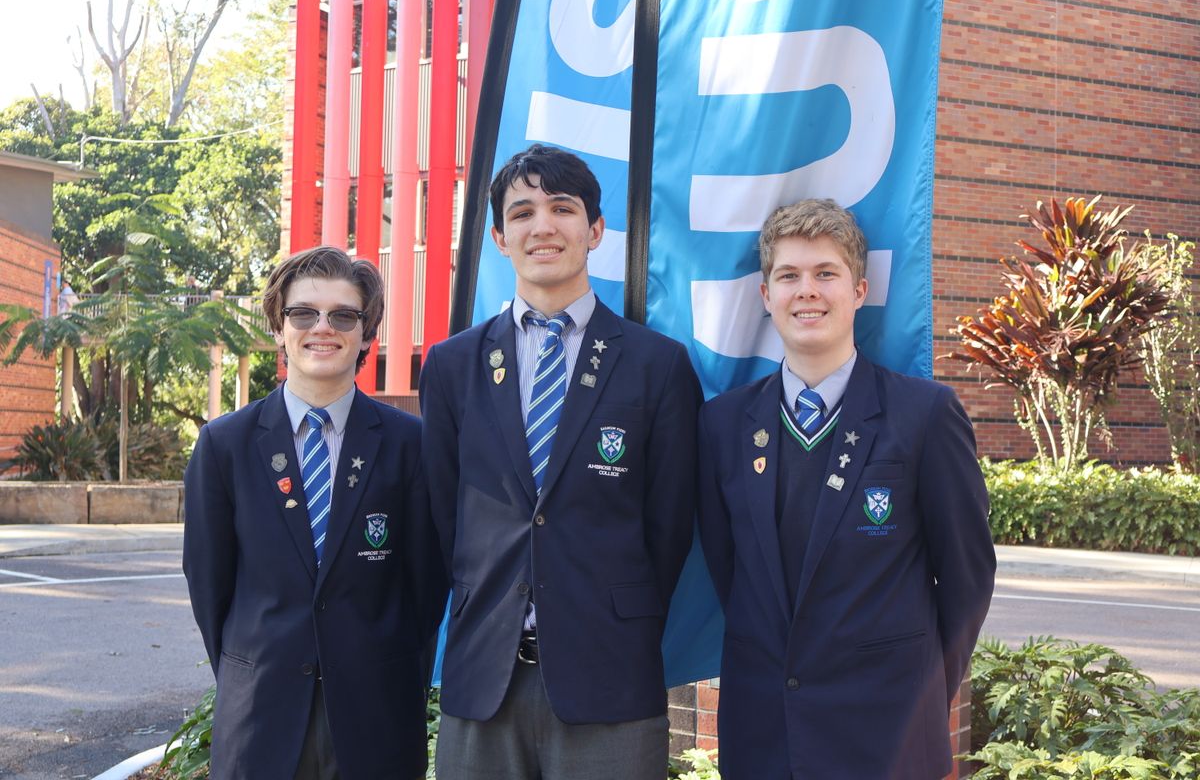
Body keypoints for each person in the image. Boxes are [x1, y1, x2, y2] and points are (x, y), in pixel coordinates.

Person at [419, 144, 702, 780]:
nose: (542, 226)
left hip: (609, 675)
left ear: (595, 230)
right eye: (522, 213)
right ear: (500, 237)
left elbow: (669, 529)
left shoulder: (657, 366)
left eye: (562, 208)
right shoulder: (452, 366)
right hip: (483, 679)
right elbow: (443, 519)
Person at [697, 199, 996, 779]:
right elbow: (731, 572)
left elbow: (967, 578)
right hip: (764, 734)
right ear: (766, 296)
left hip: (887, 733)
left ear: (859, 291)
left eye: (825, 273)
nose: (806, 290)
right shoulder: (723, 424)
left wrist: (922, 692)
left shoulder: (925, 415)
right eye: (789, 275)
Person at [183, 247, 445, 780]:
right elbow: (210, 588)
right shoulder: (224, 446)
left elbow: (426, 589)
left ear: (366, 334)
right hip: (259, 718)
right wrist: (252, 668)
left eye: (343, 316)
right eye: (303, 313)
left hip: (378, 718)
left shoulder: (411, 444)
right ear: (279, 328)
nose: (322, 328)